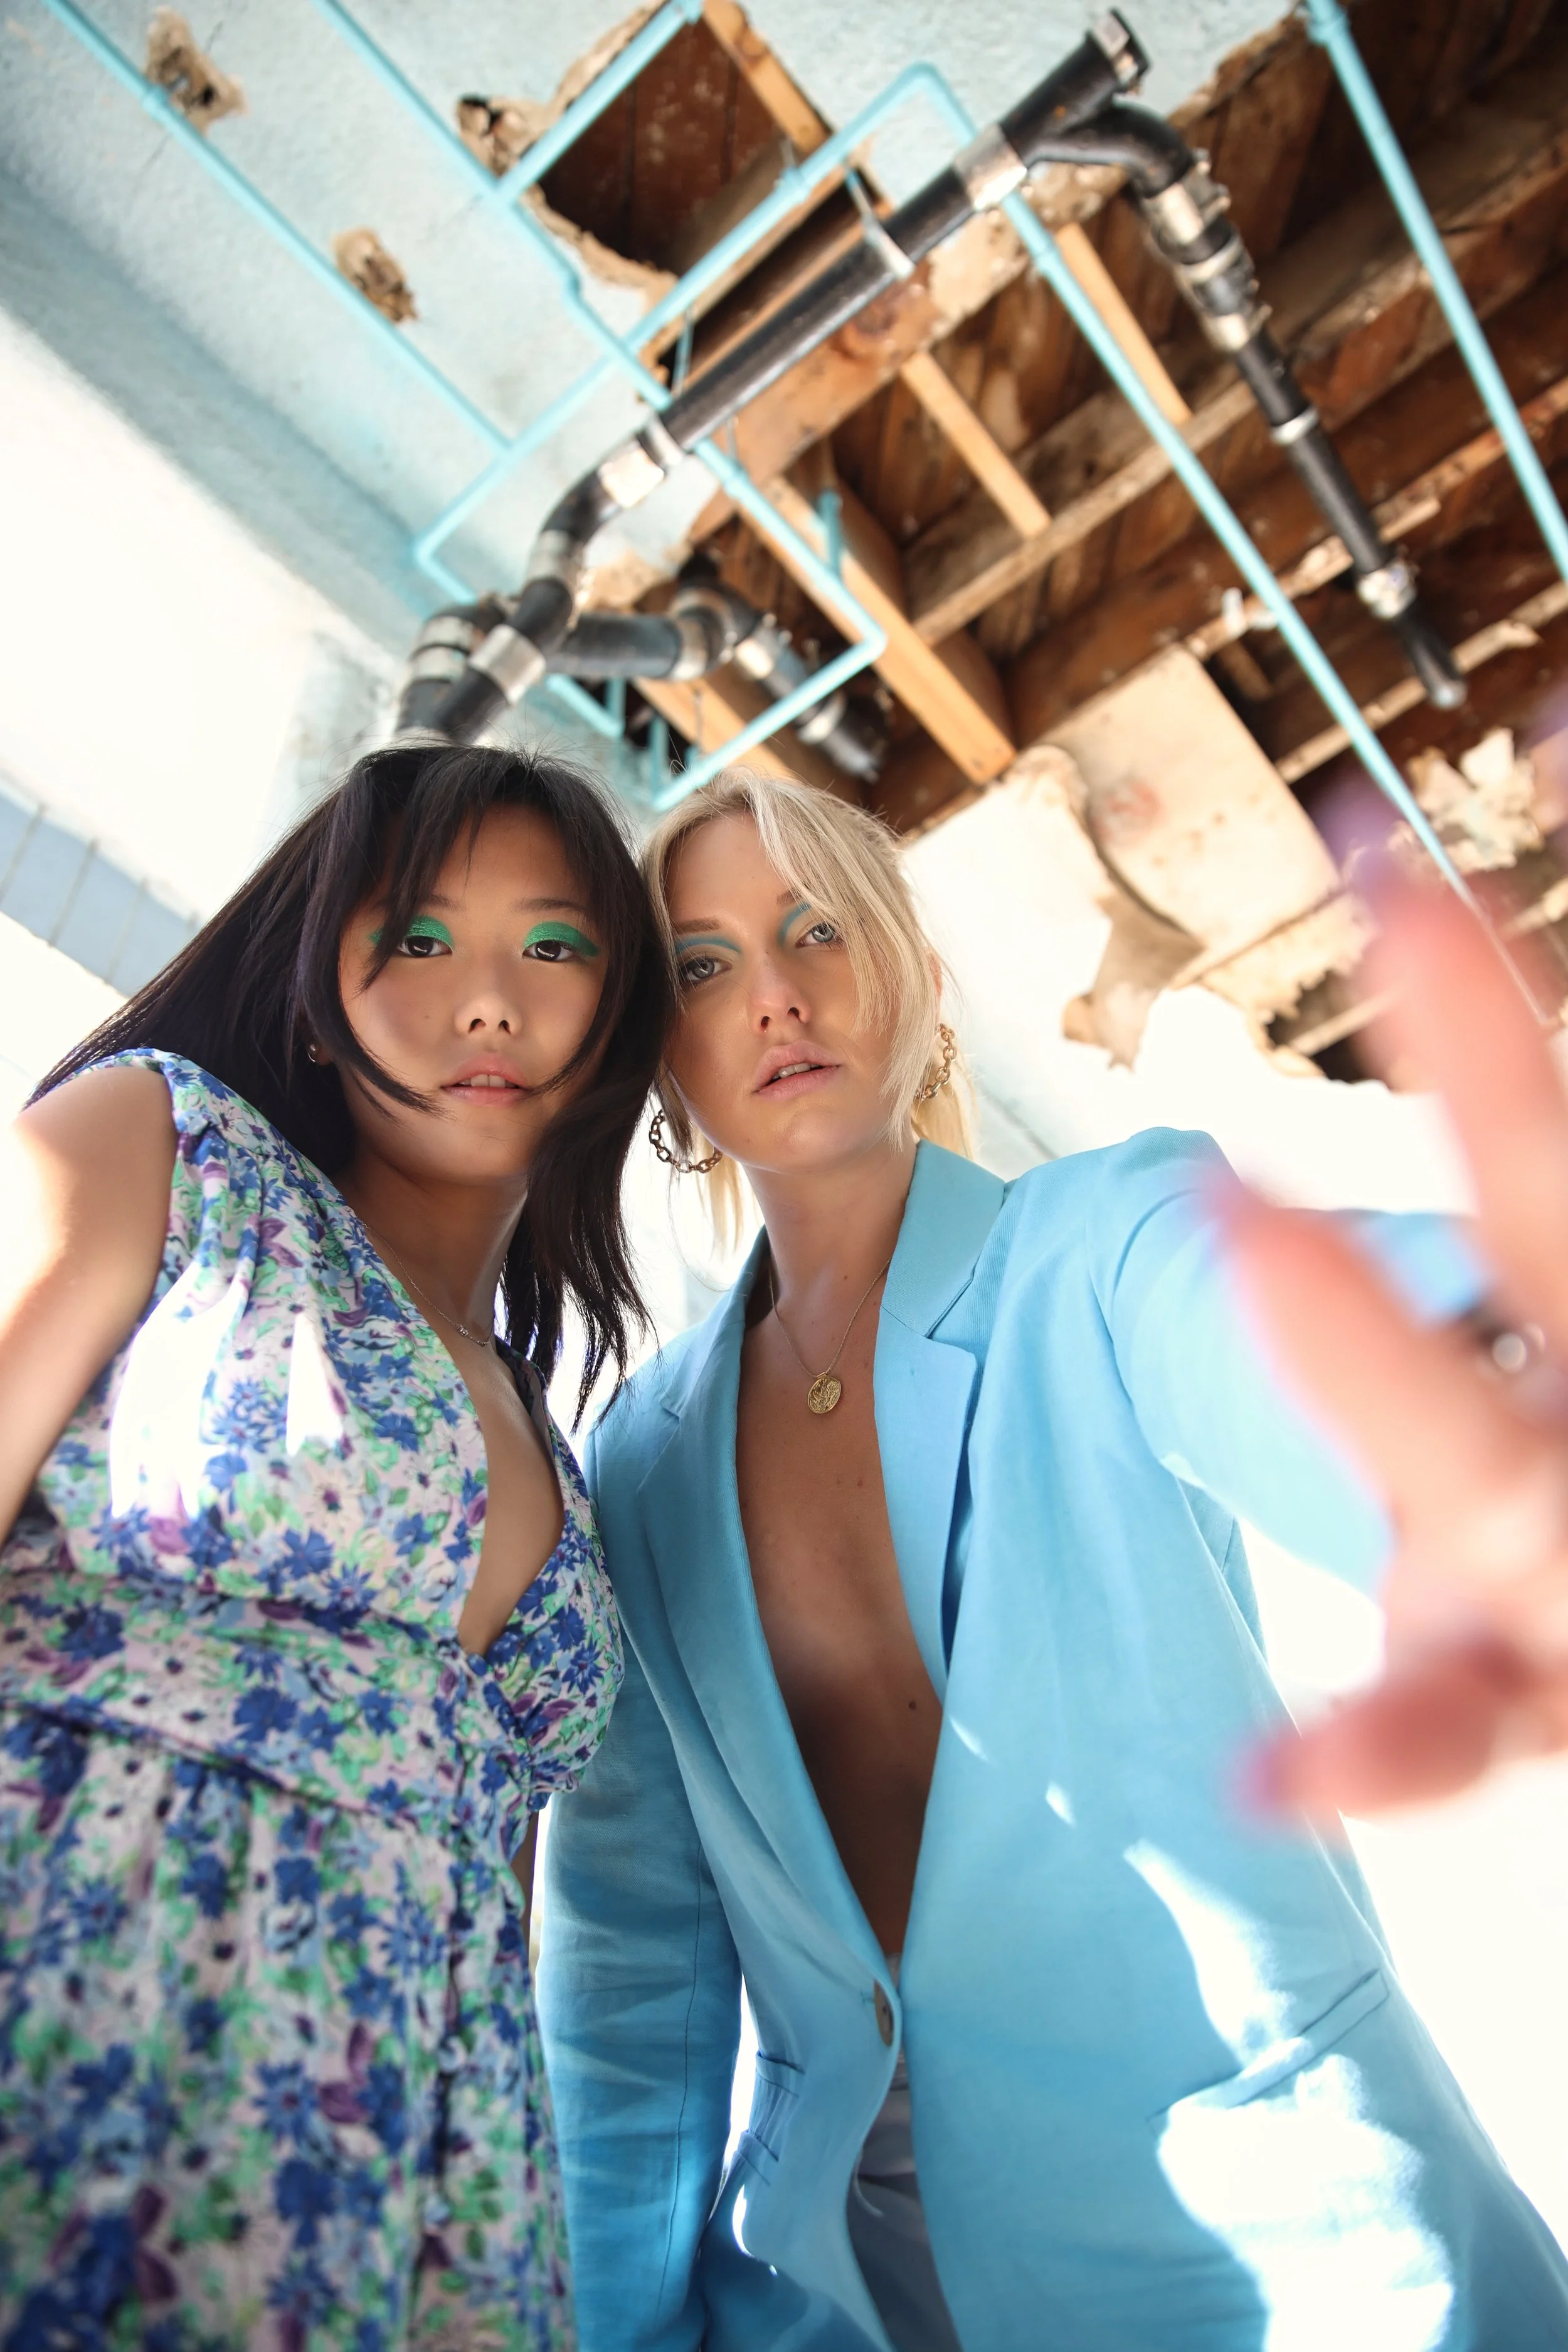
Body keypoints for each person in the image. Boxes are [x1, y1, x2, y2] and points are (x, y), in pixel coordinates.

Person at [536, 767, 1568, 2352]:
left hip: (1292, 2252)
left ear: (911, 974)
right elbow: (632, 1973)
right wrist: (603, 2325)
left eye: (817, 930)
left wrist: (1484, 1416)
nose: (777, 996)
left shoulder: (1100, 1244)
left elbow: (1271, 1337)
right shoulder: (638, 1467)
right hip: (845, 2286)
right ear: (659, 1059)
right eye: (703, 965)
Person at [0, 741, 669, 2349]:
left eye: (553, 946)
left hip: (412, 2156)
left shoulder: (567, 1459)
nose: (488, 1001)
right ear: (317, 995)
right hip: (72, 1987)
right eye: (419, 938)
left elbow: (494, 1866)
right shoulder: (163, 1146)